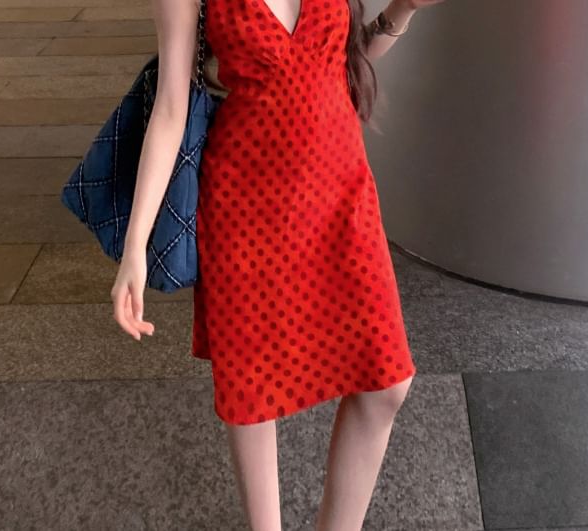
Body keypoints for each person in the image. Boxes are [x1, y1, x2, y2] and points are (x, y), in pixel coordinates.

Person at [111, 0, 445, 529]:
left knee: (386, 385)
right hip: (245, 207)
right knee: (252, 391)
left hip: (341, 196)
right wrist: (135, 247)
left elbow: (345, 60)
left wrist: (401, 11)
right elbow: (172, 107)